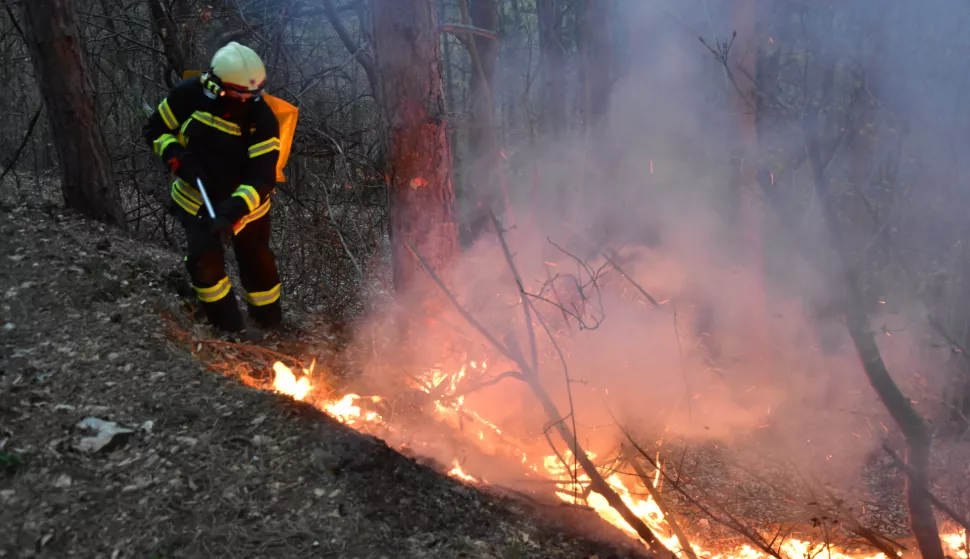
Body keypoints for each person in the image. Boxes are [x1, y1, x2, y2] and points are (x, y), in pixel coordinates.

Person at [143, 42, 283, 341]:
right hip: (196, 200)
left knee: (258, 265)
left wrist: (232, 211)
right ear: (216, 85)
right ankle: (229, 328)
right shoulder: (188, 95)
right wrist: (178, 158)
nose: (246, 100)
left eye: (253, 94)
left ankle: (270, 324)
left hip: (247, 207)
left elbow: (262, 178)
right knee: (204, 263)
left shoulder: (263, 119)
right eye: (238, 93)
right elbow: (155, 129)